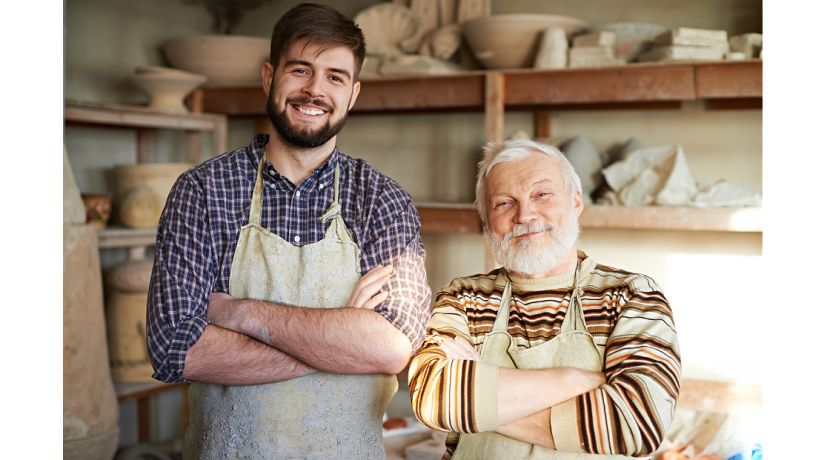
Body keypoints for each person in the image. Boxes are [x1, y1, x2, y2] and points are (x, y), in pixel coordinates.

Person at [145, 4, 431, 458]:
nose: (315, 90)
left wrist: (240, 314)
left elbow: (394, 348)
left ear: (352, 94)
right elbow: (176, 349)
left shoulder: (381, 200)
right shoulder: (202, 191)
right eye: (301, 70)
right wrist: (340, 342)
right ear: (269, 77)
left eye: (335, 77)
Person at [409, 139, 681, 459]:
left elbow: (637, 423)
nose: (525, 215)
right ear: (486, 221)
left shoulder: (633, 295)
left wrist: (482, 403)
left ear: (576, 201)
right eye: (503, 203)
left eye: (541, 194)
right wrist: (574, 380)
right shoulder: (463, 297)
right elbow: (434, 398)